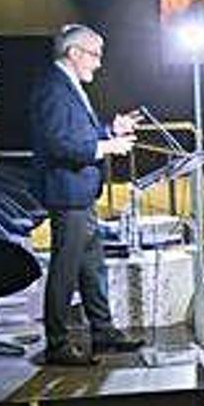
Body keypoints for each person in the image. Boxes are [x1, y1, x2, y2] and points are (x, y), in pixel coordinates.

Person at [31, 24, 143, 364]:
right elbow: (58, 143)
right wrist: (107, 146)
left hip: (80, 194)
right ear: (74, 53)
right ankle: (58, 344)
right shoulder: (53, 87)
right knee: (65, 270)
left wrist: (111, 128)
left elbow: (78, 132)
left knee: (92, 267)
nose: (98, 63)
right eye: (95, 55)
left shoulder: (67, 84)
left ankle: (103, 331)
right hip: (67, 193)